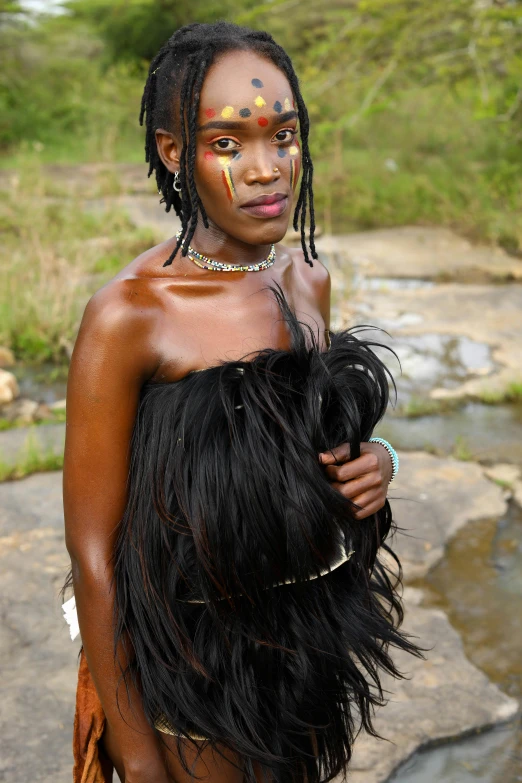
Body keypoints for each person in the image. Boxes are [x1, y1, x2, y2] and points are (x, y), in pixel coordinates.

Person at [62, 21, 418, 783]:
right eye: (228, 143)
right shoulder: (130, 315)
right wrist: (134, 748)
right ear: (173, 153)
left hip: (307, 653)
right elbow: (94, 555)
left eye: (282, 135)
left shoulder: (306, 282)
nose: (267, 169)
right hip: (194, 666)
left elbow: (313, 446)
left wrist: (378, 462)